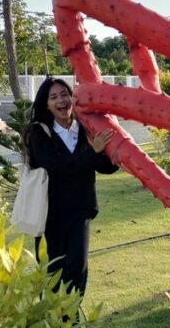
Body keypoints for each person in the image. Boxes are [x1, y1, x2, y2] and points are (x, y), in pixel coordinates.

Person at [25, 77, 117, 305]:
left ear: (72, 98)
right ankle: (55, 320)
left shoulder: (85, 129)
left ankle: (71, 318)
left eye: (64, 95)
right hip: (49, 214)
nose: (61, 101)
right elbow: (57, 167)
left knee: (77, 266)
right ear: (46, 104)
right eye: (53, 97)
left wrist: (114, 148)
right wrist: (92, 152)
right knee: (52, 268)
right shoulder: (39, 133)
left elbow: (105, 166)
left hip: (79, 211)